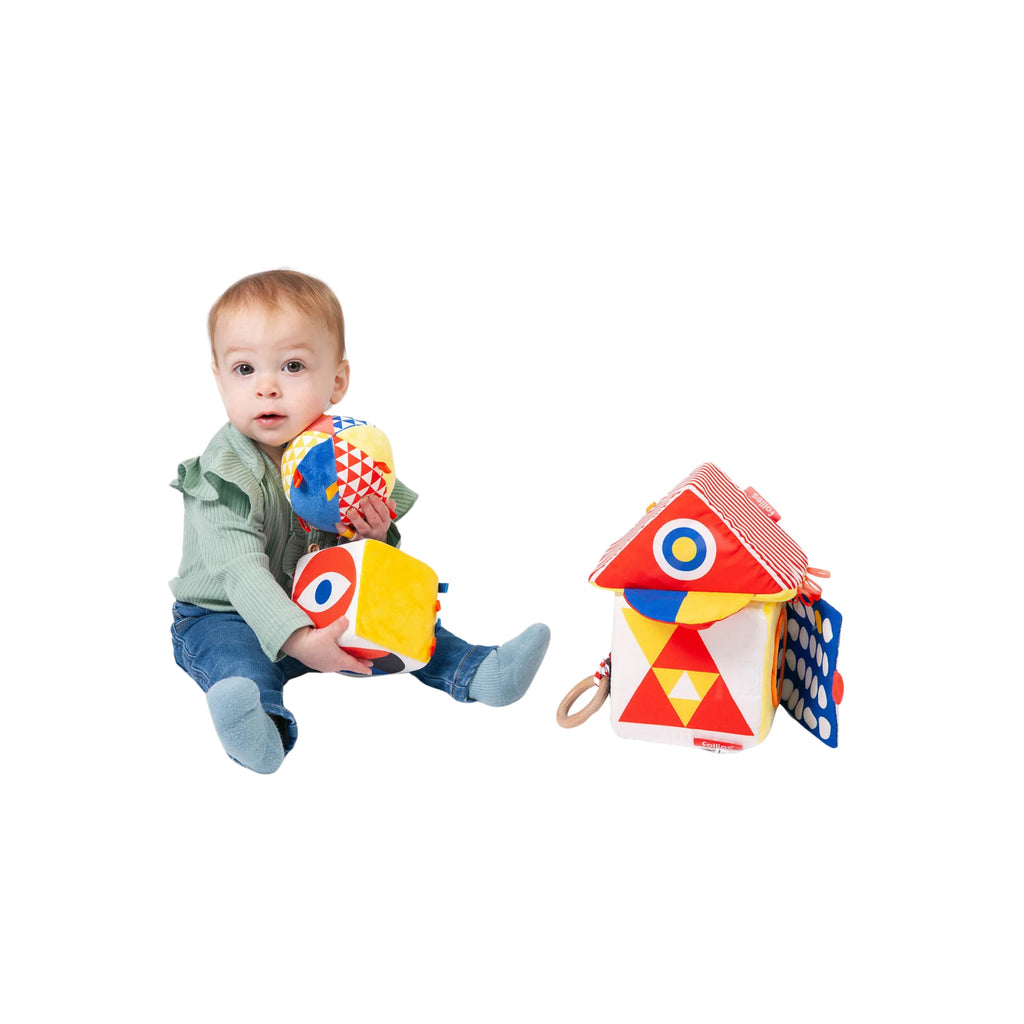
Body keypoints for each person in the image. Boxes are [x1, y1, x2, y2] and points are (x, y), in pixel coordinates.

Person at [170, 269, 550, 773]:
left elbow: (356, 565)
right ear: (219, 379)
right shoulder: (223, 471)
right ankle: (258, 727)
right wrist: (300, 642)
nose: (266, 388)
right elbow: (240, 573)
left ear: (337, 381)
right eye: (244, 369)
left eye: (292, 365)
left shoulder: (346, 456)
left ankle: (477, 669)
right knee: (238, 662)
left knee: (398, 619)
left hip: (315, 602)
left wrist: (371, 536)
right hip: (224, 613)